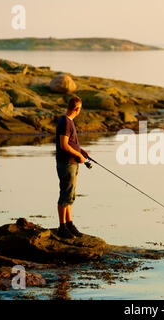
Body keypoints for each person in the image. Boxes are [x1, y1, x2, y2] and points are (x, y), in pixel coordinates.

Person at [55, 96, 90, 238]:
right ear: (77, 109)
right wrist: (79, 155)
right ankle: (62, 227)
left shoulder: (69, 121)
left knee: (70, 194)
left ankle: (69, 224)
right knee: (65, 195)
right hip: (67, 163)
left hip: (72, 162)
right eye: (80, 108)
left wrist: (81, 151)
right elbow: (63, 145)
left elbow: (70, 143)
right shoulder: (65, 122)